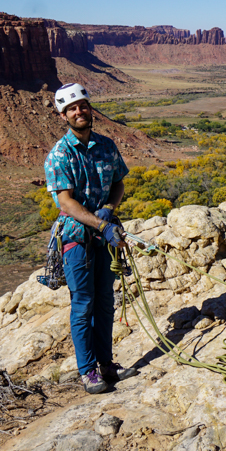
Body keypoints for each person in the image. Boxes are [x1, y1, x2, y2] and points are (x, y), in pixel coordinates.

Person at [43, 82, 136, 394]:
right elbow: (66, 203)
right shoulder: (59, 155)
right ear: (63, 115)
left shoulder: (107, 146)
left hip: (103, 237)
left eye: (83, 105)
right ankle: (87, 371)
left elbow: (119, 183)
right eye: (72, 108)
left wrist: (110, 209)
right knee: (83, 303)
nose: (79, 111)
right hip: (77, 238)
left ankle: (107, 364)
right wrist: (101, 224)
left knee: (106, 302)